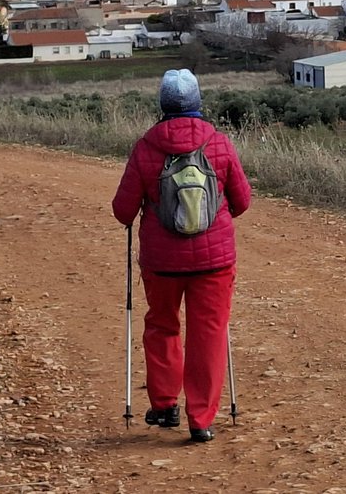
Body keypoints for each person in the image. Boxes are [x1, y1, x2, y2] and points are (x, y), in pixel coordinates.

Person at [112, 69, 252, 443]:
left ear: (162, 105)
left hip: (162, 262)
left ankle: (164, 405)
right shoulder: (219, 143)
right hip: (215, 263)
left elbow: (123, 211)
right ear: (197, 104)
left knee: (161, 326)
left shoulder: (145, 147)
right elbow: (242, 202)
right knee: (209, 334)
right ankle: (201, 419)